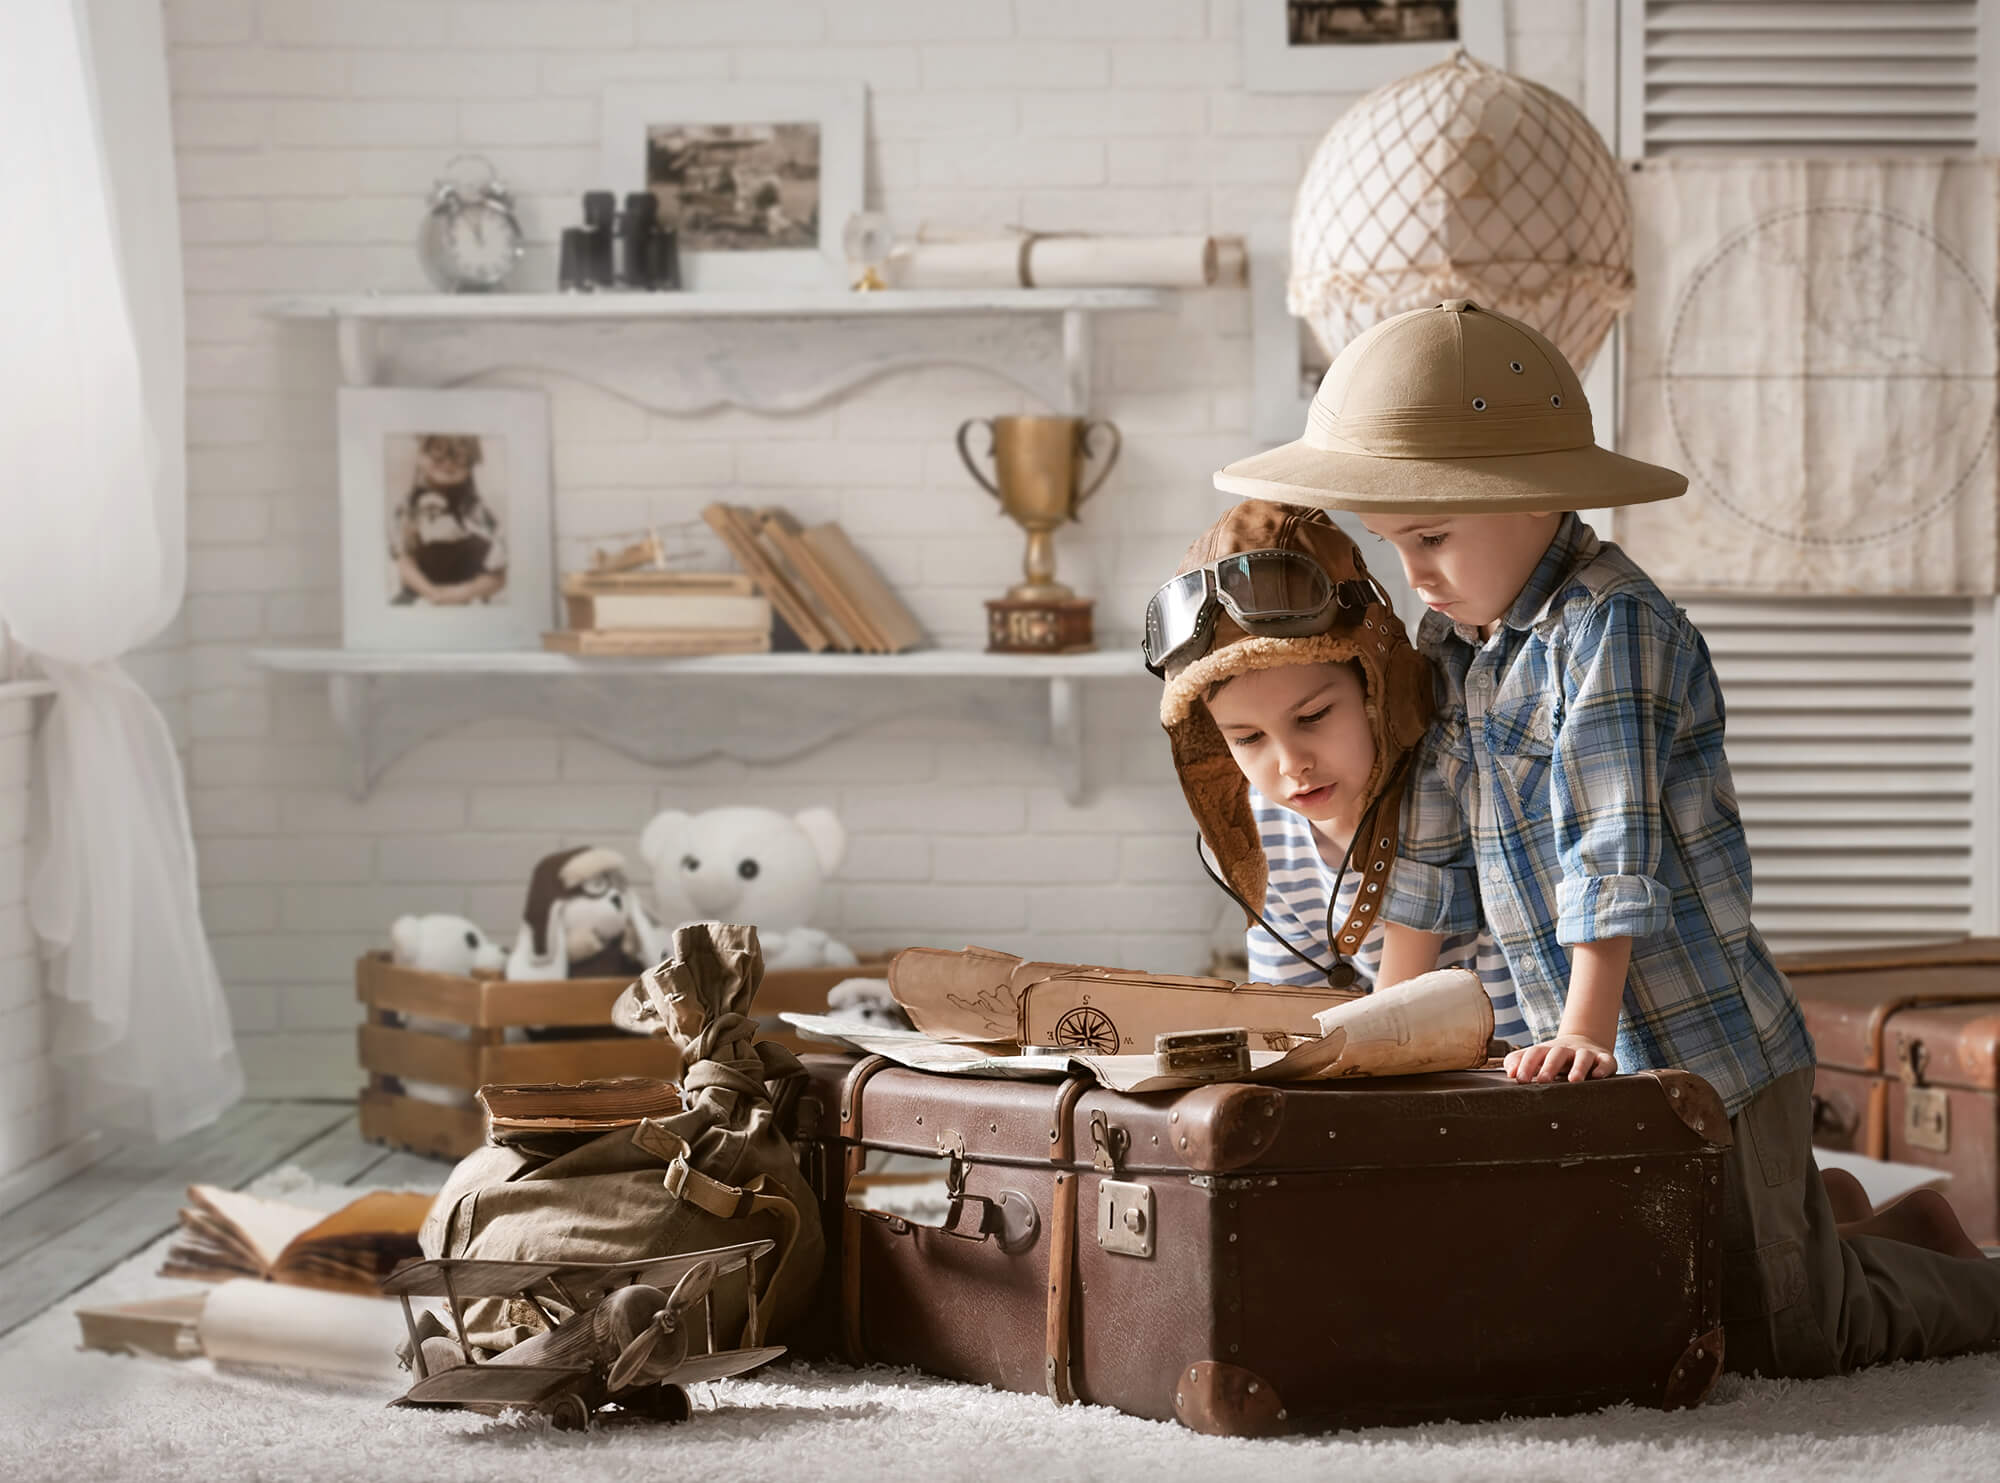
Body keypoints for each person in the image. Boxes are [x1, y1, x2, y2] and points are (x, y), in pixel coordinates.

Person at [1211, 297, 2000, 1378]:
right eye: (1398, 547)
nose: (1417, 576)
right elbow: (1431, 852)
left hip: (1699, 1046)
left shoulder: (1612, 626)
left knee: (1793, 1337)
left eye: (1431, 538)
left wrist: (1586, 1023)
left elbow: (1608, 843)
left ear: (1530, 496)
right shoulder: (1455, 643)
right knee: (1660, 1296)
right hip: (1577, 1057)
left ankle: (1966, 1280)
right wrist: (1380, 1037)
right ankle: (1830, 1223)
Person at [1145, 497, 1526, 1038]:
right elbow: (1287, 1020)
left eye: (1314, 716)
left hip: (1522, 1074)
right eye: (1248, 737)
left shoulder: (1452, 779)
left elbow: (1398, 1016)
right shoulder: (1263, 831)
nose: (1291, 764)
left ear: (1380, 689)